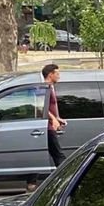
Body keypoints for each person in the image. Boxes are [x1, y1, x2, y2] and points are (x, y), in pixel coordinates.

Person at [29, 63, 65, 192]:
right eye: (57, 73)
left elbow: (50, 108)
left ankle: (31, 181)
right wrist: (53, 119)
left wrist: (57, 118)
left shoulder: (51, 88)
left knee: (47, 154)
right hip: (47, 127)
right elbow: (40, 106)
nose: (59, 76)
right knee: (58, 155)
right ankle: (66, 180)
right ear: (50, 74)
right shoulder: (44, 88)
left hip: (49, 125)